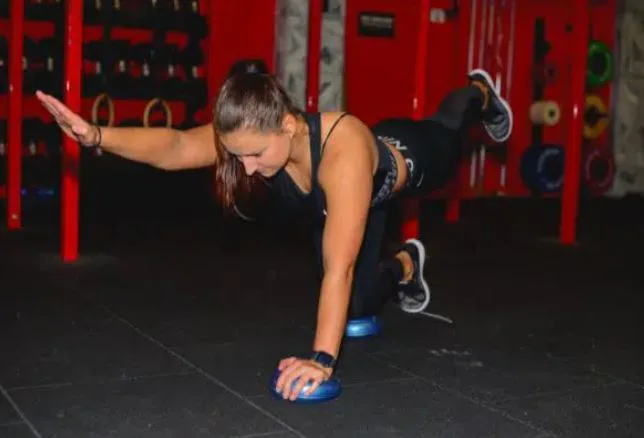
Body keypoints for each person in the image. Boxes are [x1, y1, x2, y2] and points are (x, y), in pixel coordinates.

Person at [36, 66, 512, 401]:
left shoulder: (341, 152)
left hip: (413, 160)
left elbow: (338, 268)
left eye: (255, 155)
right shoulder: (257, 136)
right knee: (359, 309)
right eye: (237, 155)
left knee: (448, 126)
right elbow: (178, 145)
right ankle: (407, 263)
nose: (246, 168)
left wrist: (321, 360)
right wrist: (96, 135)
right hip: (349, 206)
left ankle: (479, 93)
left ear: (286, 125)